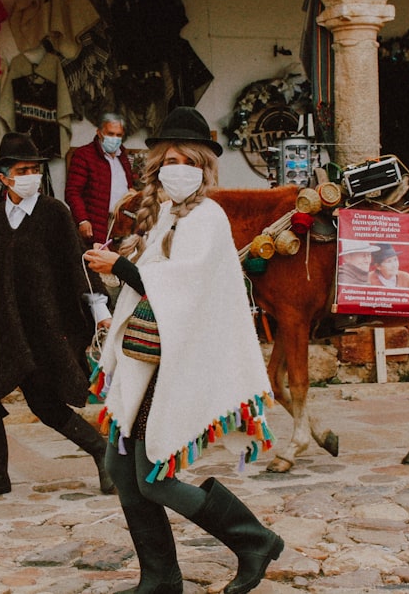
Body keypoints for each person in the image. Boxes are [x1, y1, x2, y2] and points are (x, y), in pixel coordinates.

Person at [83, 107, 284, 594]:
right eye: (167, 158)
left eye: (185, 158)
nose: (176, 166)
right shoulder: (167, 213)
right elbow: (156, 281)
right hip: (147, 359)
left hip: (179, 362)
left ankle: (254, 539)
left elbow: (184, 285)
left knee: (152, 476)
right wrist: (125, 261)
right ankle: (159, 577)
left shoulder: (208, 216)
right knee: (119, 466)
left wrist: (121, 268)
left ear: (202, 166)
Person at [0, 132, 115, 501]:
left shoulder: (54, 213)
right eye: (22, 170)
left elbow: (78, 266)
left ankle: (100, 451)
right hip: (0, 327)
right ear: (4, 177)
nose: (30, 176)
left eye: (34, 170)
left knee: (44, 403)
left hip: (42, 327)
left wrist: (100, 312)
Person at [65, 112, 136, 248]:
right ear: (99, 132)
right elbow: (72, 192)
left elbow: (129, 187)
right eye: (110, 134)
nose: (114, 139)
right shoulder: (84, 155)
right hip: (95, 224)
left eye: (118, 135)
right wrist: (82, 220)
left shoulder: (123, 157)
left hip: (120, 224)